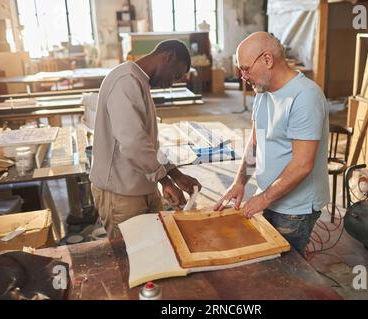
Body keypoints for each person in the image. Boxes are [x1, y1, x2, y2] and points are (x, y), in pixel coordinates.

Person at [214, 32, 330, 257]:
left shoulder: (305, 97)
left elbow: (302, 165)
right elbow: (255, 144)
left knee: (287, 270)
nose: (242, 76)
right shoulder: (262, 93)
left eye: (246, 69)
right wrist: (240, 182)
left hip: (295, 209)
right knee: (266, 259)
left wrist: (263, 199)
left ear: (267, 60)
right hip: (268, 198)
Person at [90, 39, 202, 239]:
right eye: (175, 75)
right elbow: (133, 144)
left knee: (154, 248)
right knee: (132, 258)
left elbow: (147, 143)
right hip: (121, 193)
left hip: (141, 185)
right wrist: (165, 181)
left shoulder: (139, 81)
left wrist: (175, 174)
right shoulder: (126, 80)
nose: (170, 83)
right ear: (168, 57)